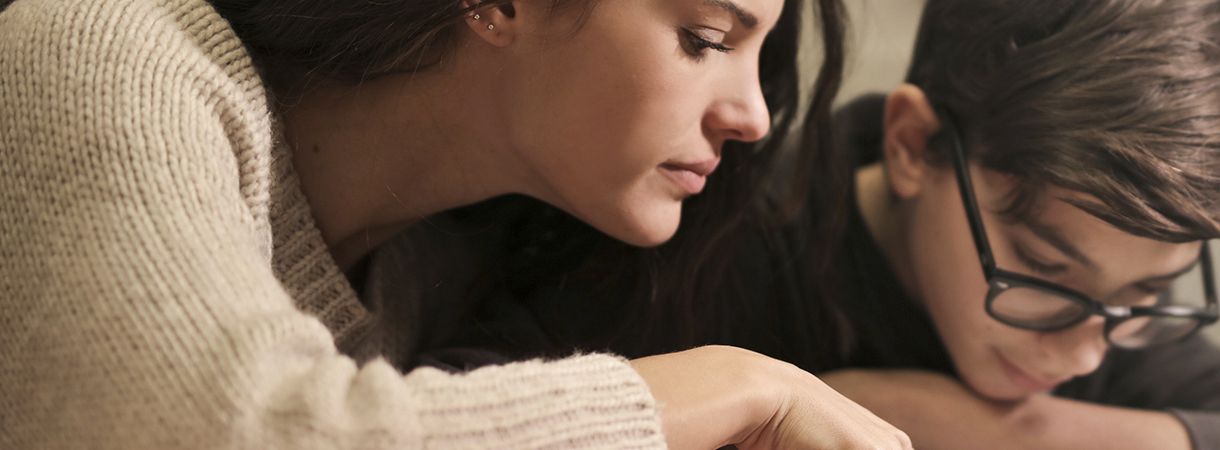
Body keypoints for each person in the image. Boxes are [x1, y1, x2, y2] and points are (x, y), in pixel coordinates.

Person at [407, 0, 1220, 448]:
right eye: (1037, 270)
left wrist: (997, 431)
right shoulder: (709, 238)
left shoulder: (1091, 320)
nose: (1083, 354)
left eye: (1147, 296)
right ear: (911, 146)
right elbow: (452, 407)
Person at [0, 0, 912, 448]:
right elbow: (234, 431)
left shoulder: (450, 274)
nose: (752, 113)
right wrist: (744, 388)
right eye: (706, 38)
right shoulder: (108, 57)